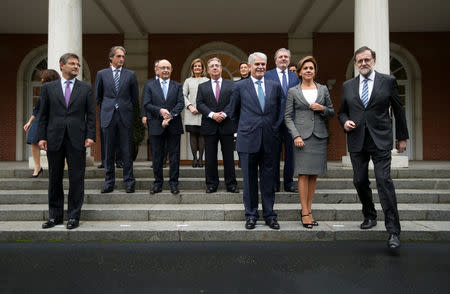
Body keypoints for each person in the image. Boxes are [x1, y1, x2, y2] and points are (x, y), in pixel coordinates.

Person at [338, 46, 409, 249]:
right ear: (356, 64)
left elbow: (398, 110)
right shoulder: (348, 86)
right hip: (357, 140)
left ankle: (393, 231)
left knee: (383, 181)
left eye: (367, 60)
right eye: (359, 61)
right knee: (359, 181)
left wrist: (402, 137)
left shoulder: (387, 82)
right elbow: (342, 112)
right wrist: (344, 122)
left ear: (374, 61)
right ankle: (369, 215)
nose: (363, 63)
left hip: (381, 140)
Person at [38, 53, 96, 230]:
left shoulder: (85, 88)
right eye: (72, 64)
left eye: (78, 65)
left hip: (77, 139)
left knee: (76, 179)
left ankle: (73, 216)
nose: (76, 67)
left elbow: (91, 115)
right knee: (54, 179)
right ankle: (55, 217)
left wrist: (91, 135)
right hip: (54, 138)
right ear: (61, 65)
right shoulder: (49, 88)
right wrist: (41, 136)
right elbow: (43, 115)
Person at [228, 52, 283, 230]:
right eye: (257, 64)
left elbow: (278, 111)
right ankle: (251, 215)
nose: (260, 67)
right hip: (248, 140)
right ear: (250, 66)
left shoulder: (274, 86)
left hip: (269, 140)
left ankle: (269, 215)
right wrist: (243, 129)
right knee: (249, 181)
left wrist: (274, 128)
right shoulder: (239, 87)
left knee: (268, 180)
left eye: (263, 64)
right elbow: (233, 113)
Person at [284, 56, 335, 229]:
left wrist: (322, 109)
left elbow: (332, 112)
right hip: (301, 138)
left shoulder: (323, 89)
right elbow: (287, 117)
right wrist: (295, 135)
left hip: (319, 136)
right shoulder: (293, 91)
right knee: (303, 174)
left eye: (311, 68)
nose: (308, 71)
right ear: (299, 72)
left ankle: (309, 209)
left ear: (315, 71)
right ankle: (304, 211)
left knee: (313, 174)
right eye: (305, 68)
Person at [96, 46, 139, 194]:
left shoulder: (130, 75)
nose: (121, 59)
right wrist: (108, 108)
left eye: (123, 57)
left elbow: (134, 98)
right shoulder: (101, 74)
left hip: (124, 116)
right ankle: (109, 183)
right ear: (111, 58)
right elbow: (98, 97)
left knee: (126, 151)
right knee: (108, 152)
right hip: (108, 116)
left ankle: (129, 182)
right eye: (118, 56)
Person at [197, 57, 239, 194]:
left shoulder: (232, 85)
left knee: (228, 157)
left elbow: (233, 103)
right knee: (210, 157)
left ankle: (231, 184)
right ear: (208, 70)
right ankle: (211, 184)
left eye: (217, 66)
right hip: (209, 125)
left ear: (221, 69)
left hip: (226, 125)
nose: (215, 68)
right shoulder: (202, 86)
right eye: (212, 66)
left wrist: (224, 114)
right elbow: (200, 104)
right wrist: (212, 114)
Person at [142, 59, 184, 195]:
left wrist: (169, 116)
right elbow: (147, 104)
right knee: (157, 156)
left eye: (168, 68)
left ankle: (174, 183)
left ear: (171, 70)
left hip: (174, 125)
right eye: (163, 68)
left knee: (174, 156)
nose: (165, 70)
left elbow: (180, 103)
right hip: (155, 125)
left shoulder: (177, 86)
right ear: (157, 70)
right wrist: (161, 111)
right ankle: (158, 183)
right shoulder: (150, 86)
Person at [265, 48, 300, 193]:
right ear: (275, 60)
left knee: (290, 155)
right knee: (273, 154)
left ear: (289, 59)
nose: (283, 59)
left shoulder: (295, 77)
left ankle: (289, 183)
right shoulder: (267, 75)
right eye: (281, 57)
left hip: (291, 121)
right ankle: (274, 183)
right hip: (273, 121)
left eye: (286, 57)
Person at [23, 69, 60, 177]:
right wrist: (29, 122)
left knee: (51, 144)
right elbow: (37, 108)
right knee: (34, 141)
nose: (41, 78)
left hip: (52, 119)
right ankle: (37, 167)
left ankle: (54, 168)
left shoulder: (58, 88)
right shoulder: (43, 89)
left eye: (43, 76)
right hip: (39, 119)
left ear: (48, 77)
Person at [183, 58, 208, 167]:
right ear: (192, 68)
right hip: (191, 112)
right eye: (195, 66)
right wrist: (190, 106)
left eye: (199, 66)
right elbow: (182, 95)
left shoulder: (207, 80)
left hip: (203, 113)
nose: (197, 68)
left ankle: (201, 159)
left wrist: (201, 108)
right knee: (193, 135)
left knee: (202, 135)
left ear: (203, 68)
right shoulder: (188, 81)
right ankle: (194, 158)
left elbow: (209, 96)